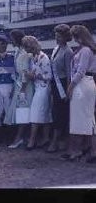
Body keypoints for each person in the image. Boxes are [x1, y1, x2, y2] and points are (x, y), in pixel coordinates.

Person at [62, 25, 96, 162]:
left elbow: (80, 71)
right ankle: (83, 149)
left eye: (75, 36)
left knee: (86, 118)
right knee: (83, 118)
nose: (74, 40)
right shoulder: (84, 49)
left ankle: (85, 150)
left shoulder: (86, 50)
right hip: (84, 83)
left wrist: (70, 86)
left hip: (83, 83)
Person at [4, 29, 34, 148]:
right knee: (20, 111)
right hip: (18, 84)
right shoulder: (17, 51)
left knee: (23, 111)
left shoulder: (25, 53)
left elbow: (25, 72)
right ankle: (21, 137)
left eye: (12, 39)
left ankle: (19, 138)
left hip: (24, 86)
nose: (11, 41)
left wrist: (23, 88)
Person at [21, 35, 52, 150]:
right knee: (45, 114)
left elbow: (48, 76)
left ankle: (32, 140)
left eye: (26, 47)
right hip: (38, 87)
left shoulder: (43, 57)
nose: (25, 49)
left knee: (35, 113)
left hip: (43, 88)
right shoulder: (34, 57)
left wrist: (33, 75)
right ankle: (45, 138)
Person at [47, 24, 73, 153]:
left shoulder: (68, 52)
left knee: (61, 113)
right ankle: (57, 140)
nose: (56, 38)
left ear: (65, 37)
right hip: (55, 84)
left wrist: (68, 90)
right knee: (55, 112)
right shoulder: (56, 49)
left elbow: (69, 73)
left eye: (59, 36)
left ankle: (57, 141)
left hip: (63, 84)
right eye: (55, 35)